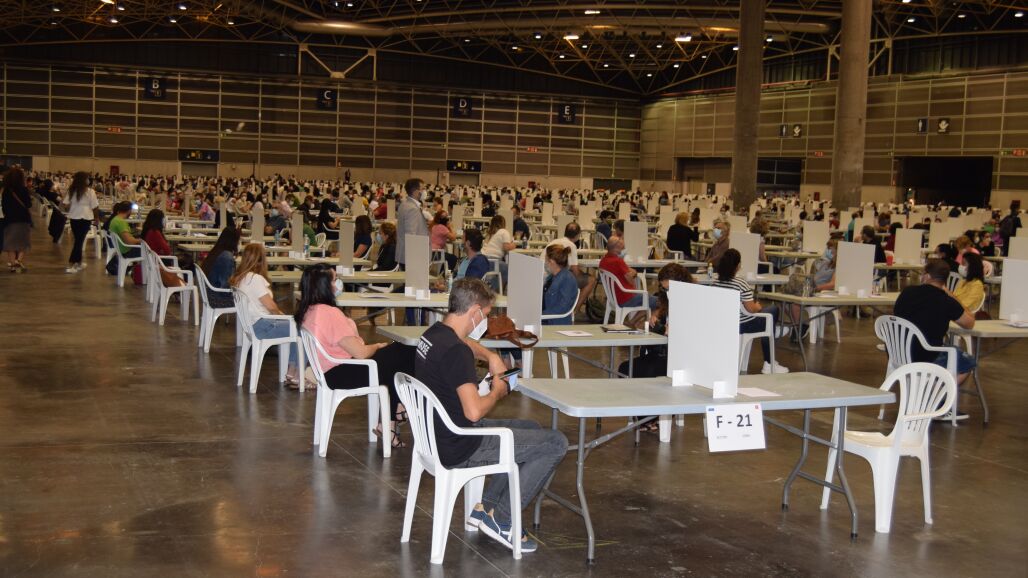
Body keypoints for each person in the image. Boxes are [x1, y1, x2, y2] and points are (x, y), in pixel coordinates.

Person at [414, 278, 568, 552]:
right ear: (474, 311)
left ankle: (487, 507)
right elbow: (474, 411)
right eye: (485, 314)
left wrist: (491, 356)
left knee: (531, 427)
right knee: (556, 442)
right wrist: (497, 391)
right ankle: (504, 520)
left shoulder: (434, 335)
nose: (485, 321)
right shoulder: (456, 352)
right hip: (461, 444)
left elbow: (463, 341)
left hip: (438, 435)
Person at [295, 264, 415, 447]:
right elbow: (361, 353)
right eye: (335, 280)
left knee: (394, 358)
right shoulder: (330, 314)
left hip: (329, 372)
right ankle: (397, 411)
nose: (338, 283)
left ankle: (393, 416)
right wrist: (376, 346)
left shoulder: (308, 310)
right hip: (344, 372)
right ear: (324, 285)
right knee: (406, 351)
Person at [231, 243, 306, 388]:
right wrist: (284, 316)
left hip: (251, 325)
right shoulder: (255, 279)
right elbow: (271, 307)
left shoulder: (240, 278)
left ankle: (292, 370)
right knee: (303, 329)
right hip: (263, 325)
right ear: (261, 260)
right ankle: (296, 373)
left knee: (295, 325)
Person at [894, 259, 976, 386]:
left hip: (898, 351)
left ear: (927, 276)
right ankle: (939, 394)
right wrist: (951, 295)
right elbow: (969, 323)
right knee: (968, 362)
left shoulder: (907, 292)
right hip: (926, 355)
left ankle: (929, 391)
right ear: (944, 280)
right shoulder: (946, 301)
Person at [714, 249, 789, 374]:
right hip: (744, 324)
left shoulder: (716, 282)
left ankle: (772, 331)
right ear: (738, 265)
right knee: (773, 310)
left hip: (725, 323)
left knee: (769, 315)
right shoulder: (740, 283)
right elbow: (751, 309)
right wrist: (757, 307)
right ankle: (769, 362)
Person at [541, 222, 596, 314]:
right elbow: (576, 272)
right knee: (591, 280)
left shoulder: (555, 241)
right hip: (549, 280)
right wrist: (584, 274)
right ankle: (574, 310)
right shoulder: (571, 245)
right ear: (578, 235)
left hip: (542, 277)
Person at [599, 236, 656, 310]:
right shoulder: (618, 261)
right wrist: (633, 275)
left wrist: (631, 271)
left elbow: (627, 271)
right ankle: (636, 319)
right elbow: (630, 279)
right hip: (626, 298)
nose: (623, 247)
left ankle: (633, 318)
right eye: (622, 245)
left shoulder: (603, 261)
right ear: (617, 246)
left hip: (613, 298)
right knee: (661, 302)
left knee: (650, 301)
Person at [63, 171, 99, 274]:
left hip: (74, 217)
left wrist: (73, 206)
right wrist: (96, 218)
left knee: (78, 240)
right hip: (86, 218)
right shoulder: (90, 192)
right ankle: (72, 263)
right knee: (79, 241)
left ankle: (78, 262)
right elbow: (95, 206)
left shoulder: (71, 190)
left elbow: (65, 205)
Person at [199, 227, 242, 308]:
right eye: (239, 240)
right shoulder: (226, 257)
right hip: (217, 298)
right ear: (233, 241)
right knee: (248, 299)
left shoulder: (217, 251)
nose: (239, 243)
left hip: (209, 294)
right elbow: (225, 287)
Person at [2, 167, 33, 273]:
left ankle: (13, 265)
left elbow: (4, 206)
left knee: (10, 243)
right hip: (23, 219)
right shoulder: (24, 190)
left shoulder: (6, 190)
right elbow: (29, 204)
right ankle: (18, 261)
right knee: (23, 242)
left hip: (10, 220)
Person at [541, 245, 578, 324]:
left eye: (546, 259)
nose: (545, 262)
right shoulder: (552, 276)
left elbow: (562, 307)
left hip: (553, 321)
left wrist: (540, 314)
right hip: (546, 318)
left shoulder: (567, 279)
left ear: (552, 262)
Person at [482, 214, 516, 284]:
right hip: (492, 262)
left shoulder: (489, 234)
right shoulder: (504, 231)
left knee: (503, 269)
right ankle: (493, 287)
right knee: (511, 270)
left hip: (483, 260)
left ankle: (491, 286)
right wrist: (513, 245)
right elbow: (506, 247)